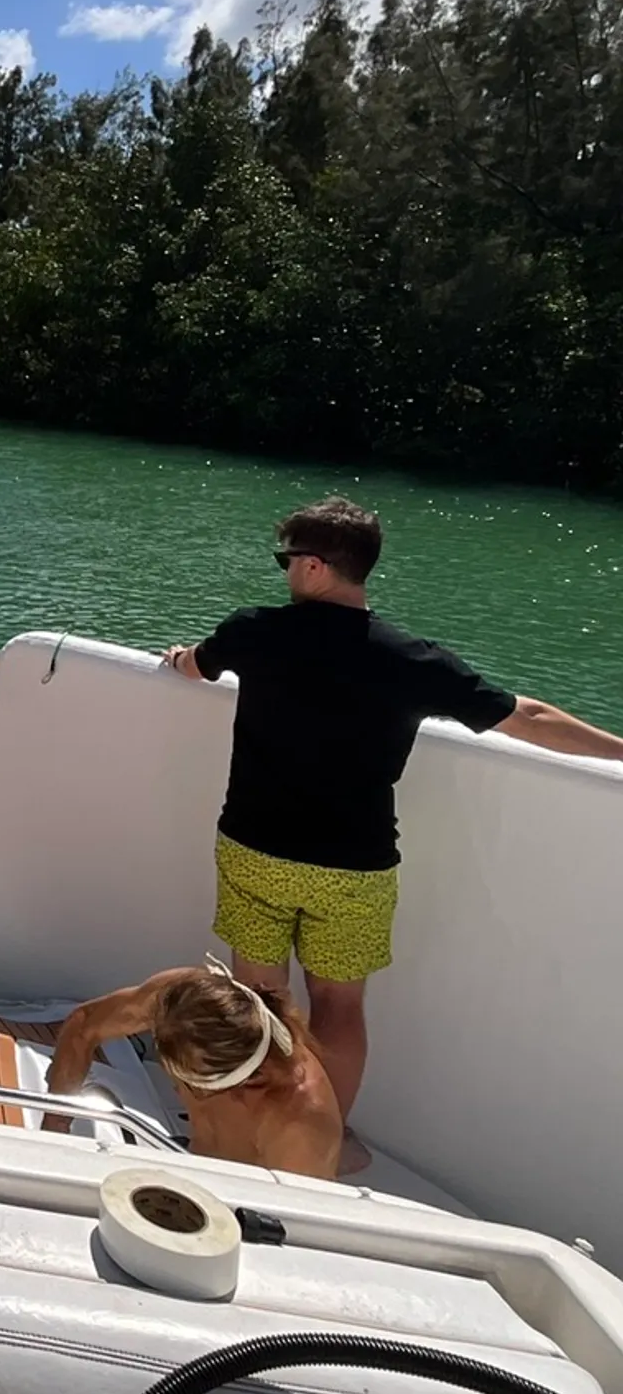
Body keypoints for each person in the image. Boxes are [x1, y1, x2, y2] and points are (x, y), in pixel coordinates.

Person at [165, 495, 623, 1170]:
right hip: (354, 867)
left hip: (255, 848)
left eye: (286, 559)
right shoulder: (412, 660)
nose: (283, 572)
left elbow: (196, 665)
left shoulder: (255, 631)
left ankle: (243, 1130)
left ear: (316, 565)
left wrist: (177, 656)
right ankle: (325, 1140)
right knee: (339, 1007)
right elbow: (526, 714)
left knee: (259, 1001)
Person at [44, 959, 342, 1179]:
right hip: (186, 1161)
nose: (177, 1089)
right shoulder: (184, 1001)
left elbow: (289, 1230)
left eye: (186, 1083)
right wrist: (54, 1132)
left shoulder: (301, 1125)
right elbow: (83, 1026)